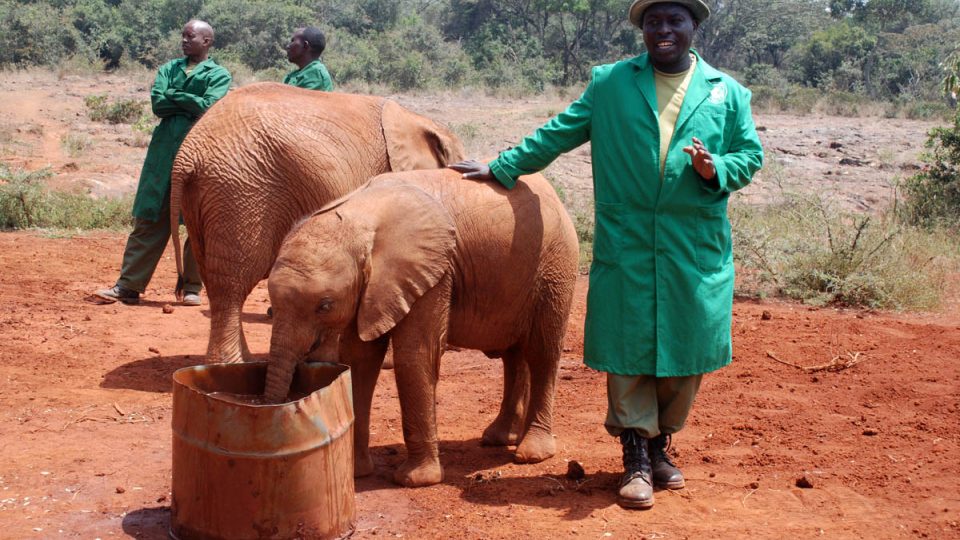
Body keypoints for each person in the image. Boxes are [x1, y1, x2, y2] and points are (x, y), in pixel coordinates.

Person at [450, 0, 763, 510]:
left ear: (694, 27)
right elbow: (560, 132)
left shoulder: (728, 92)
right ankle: (636, 455)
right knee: (629, 345)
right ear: (643, 31)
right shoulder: (611, 82)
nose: (663, 30)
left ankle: (662, 444)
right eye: (653, 22)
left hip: (694, 243)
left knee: (688, 350)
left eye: (674, 20)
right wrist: (504, 165)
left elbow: (750, 155)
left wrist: (716, 169)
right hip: (630, 240)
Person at [93, 20, 232, 306]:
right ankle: (128, 286)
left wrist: (175, 96)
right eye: (182, 35)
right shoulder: (168, 68)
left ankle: (193, 288)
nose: (184, 40)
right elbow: (159, 104)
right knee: (150, 217)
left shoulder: (219, 74)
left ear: (207, 41)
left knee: (199, 222)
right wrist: (188, 100)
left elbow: (210, 106)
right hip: (162, 153)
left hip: (202, 153)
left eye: (190, 36)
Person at [283, 26, 334, 91]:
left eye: (293, 41)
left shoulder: (315, 74)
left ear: (305, 45)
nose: (288, 46)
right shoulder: (295, 74)